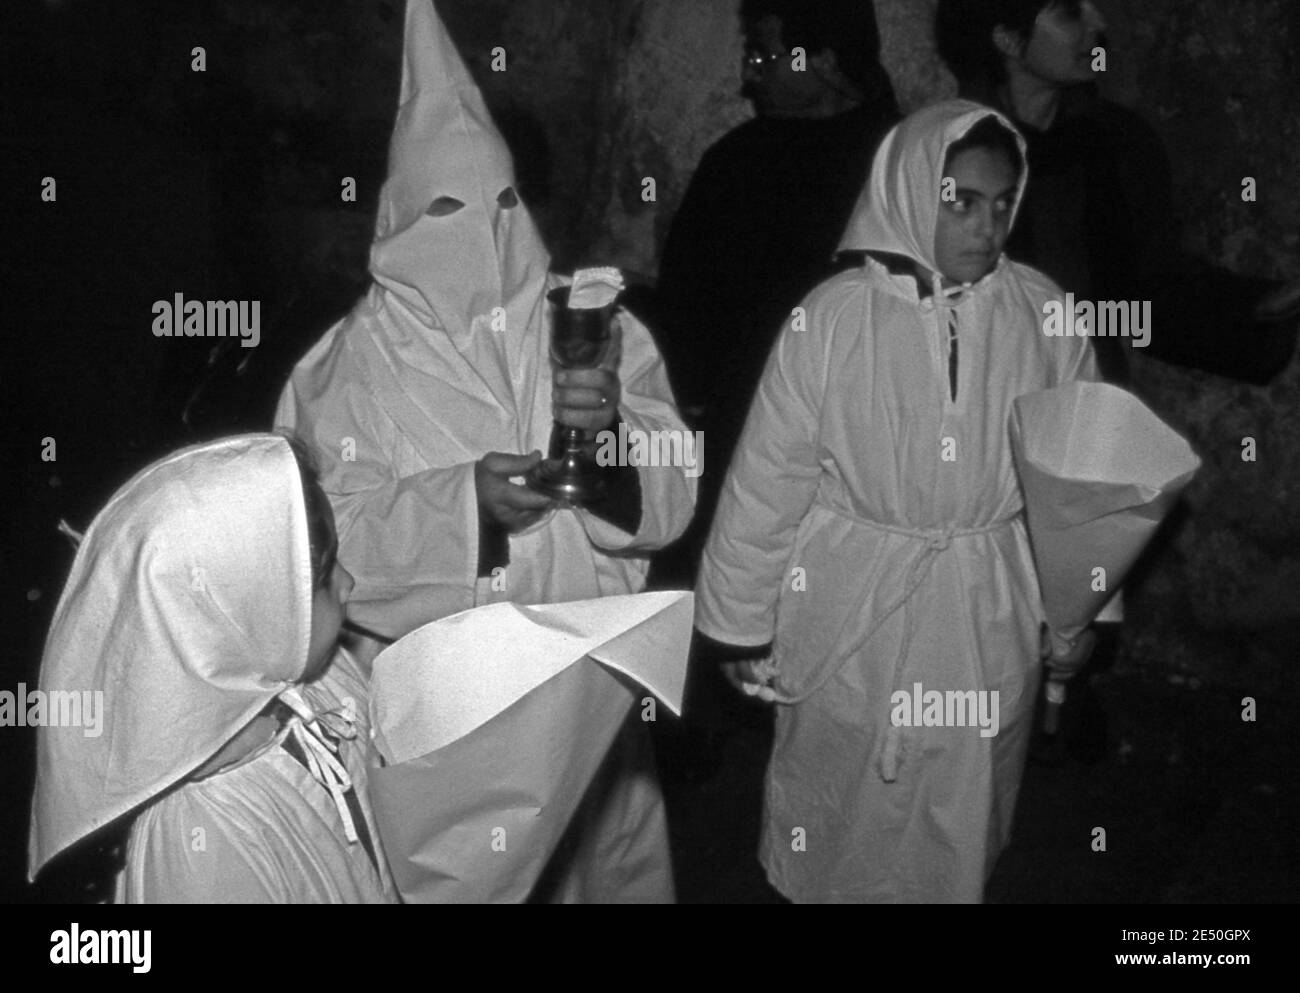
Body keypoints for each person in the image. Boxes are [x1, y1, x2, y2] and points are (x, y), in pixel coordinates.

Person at [275, 0, 695, 902]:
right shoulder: (344, 372)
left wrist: (613, 447)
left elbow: (677, 471)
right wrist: (463, 509)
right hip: (454, 728)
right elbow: (314, 538)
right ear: (397, 216)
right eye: (446, 208)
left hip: (590, 704)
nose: (481, 231)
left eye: (502, 201)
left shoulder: (587, 322)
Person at [695, 100, 1099, 902]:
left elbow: (1081, 487)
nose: (985, 226)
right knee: (841, 789)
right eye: (962, 200)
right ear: (913, 188)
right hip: (853, 600)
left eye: (1000, 204)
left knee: (959, 799)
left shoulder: (1045, 317)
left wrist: (1076, 612)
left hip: (985, 601)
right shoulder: (834, 318)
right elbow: (770, 477)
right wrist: (742, 618)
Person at [28, 433, 399, 904]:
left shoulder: (314, 682)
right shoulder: (198, 832)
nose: (349, 583)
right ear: (248, 621)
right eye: (324, 578)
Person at [650, 0, 899, 584]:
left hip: (860, 443)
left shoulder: (897, 169)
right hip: (738, 430)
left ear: (827, 61)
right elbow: (687, 306)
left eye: (765, 51)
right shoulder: (736, 161)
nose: (750, 71)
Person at [935, 0, 1300, 385]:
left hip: (1089, 403)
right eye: (1070, 12)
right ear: (1007, 39)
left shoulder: (1114, 142)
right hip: (975, 403)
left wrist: (1255, 307)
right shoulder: (939, 150)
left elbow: (1150, 294)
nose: (1097, 23)